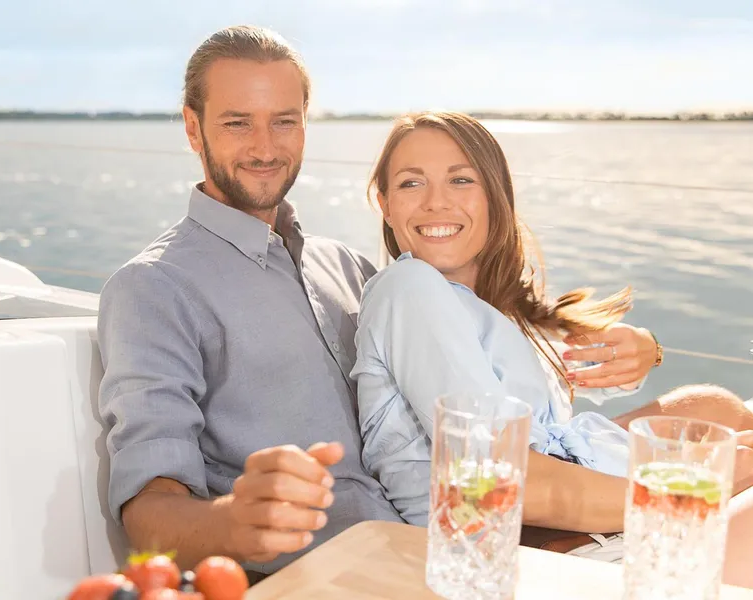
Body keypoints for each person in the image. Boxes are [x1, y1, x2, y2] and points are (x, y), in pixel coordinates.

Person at [97, 25, 661, 575]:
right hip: (335, 572)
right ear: (193, 130)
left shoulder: (345, 266)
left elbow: (480, 350)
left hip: (453, 549)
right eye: (238, 123)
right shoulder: (154, 287)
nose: (265, 147)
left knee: (713, 417)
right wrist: (233, 522)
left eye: (284, 122)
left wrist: (637, 351)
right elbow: (148, 517)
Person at [352, 110, 753, 559]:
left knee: (716, 408)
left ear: (496, 195)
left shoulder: (488, 306)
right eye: (411, 183)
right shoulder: (411, 289)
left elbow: (564, 370)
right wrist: (696, 491)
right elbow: (497, 480)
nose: (436, 202)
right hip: (520, 548)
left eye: (460, 180)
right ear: (385, 203)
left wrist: (647, 351)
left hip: (562, 505)